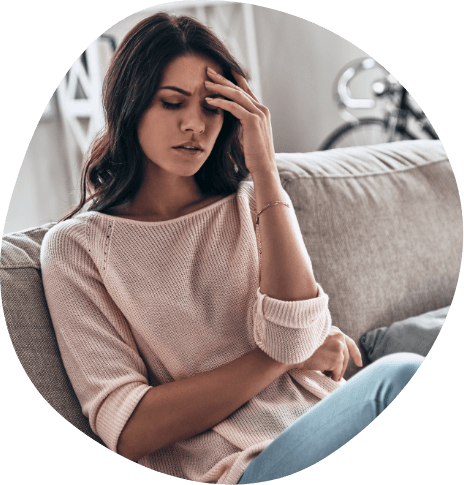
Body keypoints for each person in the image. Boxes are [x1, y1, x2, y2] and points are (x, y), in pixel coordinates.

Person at [40, 13, 424, 485]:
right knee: (402, 376)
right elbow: (131, 427)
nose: (195, 124)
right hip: (241, 467)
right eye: (172, 103)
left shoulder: (249, 203)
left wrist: (264, 169)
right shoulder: (76, 250)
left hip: (321, 424)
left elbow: (306, 336)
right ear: (130, 105)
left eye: (212, 107)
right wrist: (279, 358)